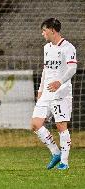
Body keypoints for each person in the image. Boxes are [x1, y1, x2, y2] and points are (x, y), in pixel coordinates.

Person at [32, 18, 77, 170]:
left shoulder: (68, 47)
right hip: (46, 93)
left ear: (52, 30)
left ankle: (64, 161)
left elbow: (72, 69)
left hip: (61, 93)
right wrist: (40, 90)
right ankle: (55, 153)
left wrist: (60, 81)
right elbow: (46, 70)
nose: (42, 33)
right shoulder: (46, 48)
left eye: (44, 30)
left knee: (61, 126)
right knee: (35, 124)